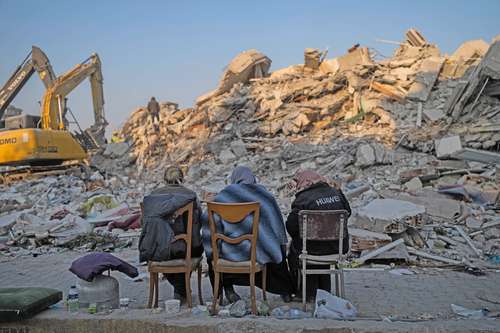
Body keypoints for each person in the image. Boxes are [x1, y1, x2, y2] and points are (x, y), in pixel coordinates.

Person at [201, 166, 294, 303]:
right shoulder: (265, 197)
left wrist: (213, 251)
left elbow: (207, 222)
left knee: (212, 254)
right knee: (276, 249)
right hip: (259, 253)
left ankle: (226, 291)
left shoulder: (222, 197)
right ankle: (284, 290)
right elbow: (277, 227)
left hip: (230, 254)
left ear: (235, 179)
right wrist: (278, 246)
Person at [139, 165, 203, 304]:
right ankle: (181, 290)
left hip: (158, 249)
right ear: (182, 178)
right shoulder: (190, 194)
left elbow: (143, 224)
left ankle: (180, 290)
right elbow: (199, 220)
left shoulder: (152, 196)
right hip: (185, 249)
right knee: (189, 247)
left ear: (164, 179)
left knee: (164, 248)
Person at [286, 170, 351, 301]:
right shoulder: (336, 193)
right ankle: (324, 290)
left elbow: (291, 227)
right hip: (336, 248)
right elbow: (348, 212)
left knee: (295, 248)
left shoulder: (302, 199)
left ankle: (304, 292)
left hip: (310, 250)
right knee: (320, 246)